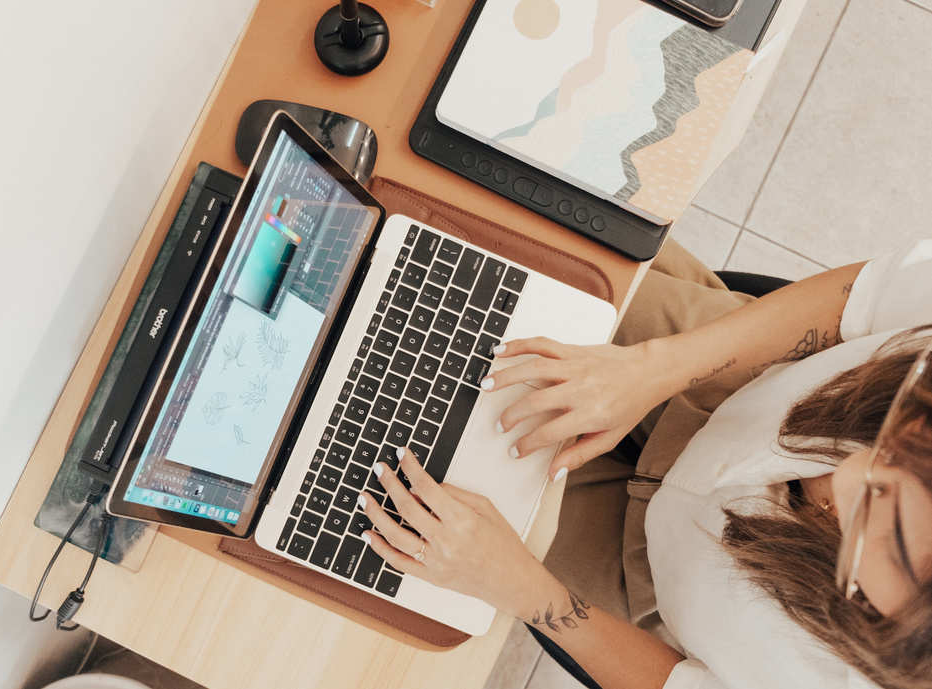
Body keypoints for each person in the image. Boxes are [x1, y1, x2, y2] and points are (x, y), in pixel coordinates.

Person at [356, 239, 932, 689]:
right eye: (914, 427)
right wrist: (654, 367)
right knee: (481, 261)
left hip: (651, 572)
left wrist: (520, 588)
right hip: (731, 376)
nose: (855, 468)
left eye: (890, 534)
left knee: (387, 474)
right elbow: (865, 295)